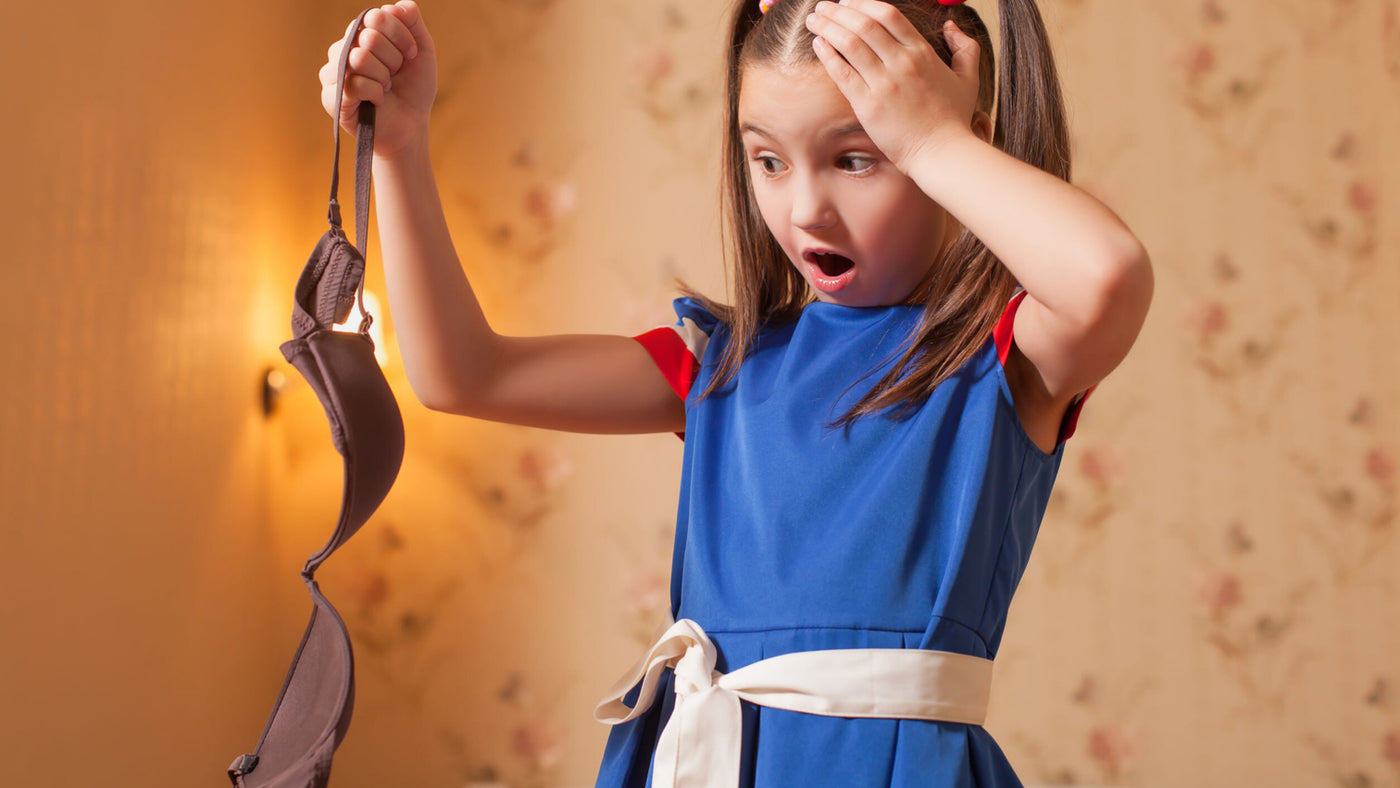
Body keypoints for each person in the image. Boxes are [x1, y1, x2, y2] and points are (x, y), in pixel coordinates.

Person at [320, 0, 1153, 784]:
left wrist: (935, 142)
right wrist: (398, 148)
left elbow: (1108, 276)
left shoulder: (1005, 358)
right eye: (768, 161)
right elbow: (463, 373)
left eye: (857, 157)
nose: (806, 209)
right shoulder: (723, 365)